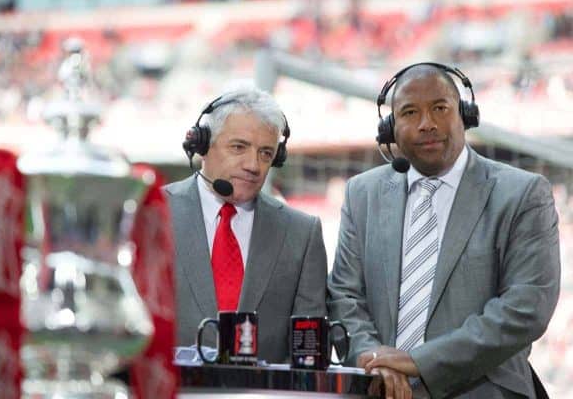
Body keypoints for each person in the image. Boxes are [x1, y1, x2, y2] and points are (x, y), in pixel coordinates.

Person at [327, 63, 560, 398]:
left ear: (464, 114)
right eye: (410, 112)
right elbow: (345, 296)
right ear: (390, 127)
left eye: (440, 108)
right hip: (381, 389)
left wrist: (419, 362)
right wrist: (374, 360)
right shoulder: (362, 194)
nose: (427, 124)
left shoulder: (521, 193)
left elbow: (526, 307)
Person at [163, 87, 327, 363]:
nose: (253, 165)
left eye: (265, 153)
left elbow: (306, 356)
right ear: (202, 146)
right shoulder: (154, 212)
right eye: (238, 147)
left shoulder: (302, 233)